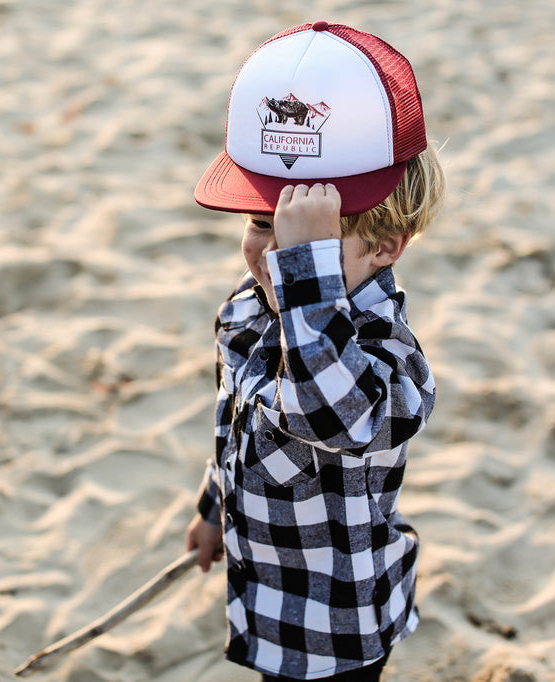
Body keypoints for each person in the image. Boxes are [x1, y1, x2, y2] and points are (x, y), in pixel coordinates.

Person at [186, 21, 445, 681]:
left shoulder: (389, 353)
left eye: (305, 243)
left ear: (386, 246)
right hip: (268, 597)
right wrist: (216, 508)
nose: (272, 257)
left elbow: (328, 415)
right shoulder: (251, 309)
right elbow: (238, 427)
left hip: (335, 629)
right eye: (261, 225)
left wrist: (310, 279)